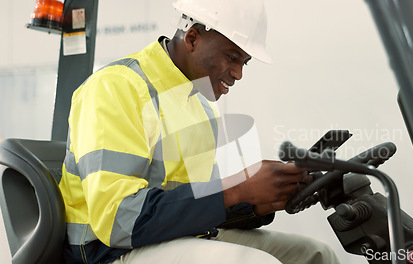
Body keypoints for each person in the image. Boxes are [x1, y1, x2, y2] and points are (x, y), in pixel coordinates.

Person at [59, 0, 339, 263]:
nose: (239, 73)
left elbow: (198, 208)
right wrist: (237, 188)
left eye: (244, 62)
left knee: (314, 255)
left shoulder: (199, 107)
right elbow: (119, 221)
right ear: (192, 38)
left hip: (171, 236)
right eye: (232, 57)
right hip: (110, 252)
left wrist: (257, 201)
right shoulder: (117, 88)